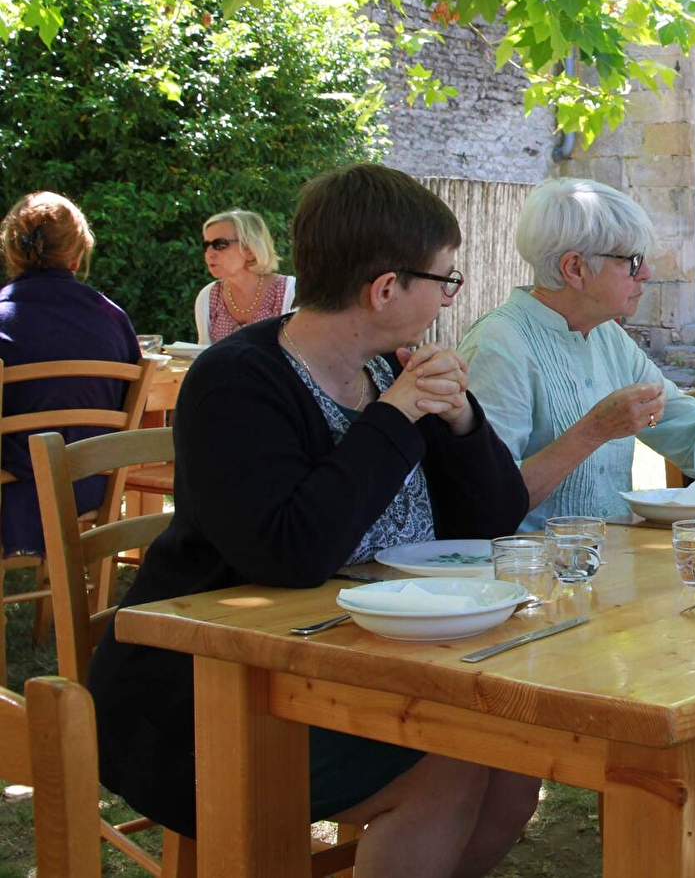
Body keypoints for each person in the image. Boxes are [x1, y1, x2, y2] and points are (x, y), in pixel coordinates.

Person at [89, 164, 538, 877]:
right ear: (385, 288)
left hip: (367, 664)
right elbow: (290, 553)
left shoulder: (388, 371)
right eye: (444, 280)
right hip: (209, 694)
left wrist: (460, 422)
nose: (449, 298)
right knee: (449, 769)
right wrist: (394, 420)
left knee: (515, 760)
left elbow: (495, 521)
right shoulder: (238, 381)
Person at [459, 177, 695, 831]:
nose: (647, 274)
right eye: (631, 262)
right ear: (575, 268)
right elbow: (485, 502)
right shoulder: (501, 347)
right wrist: (593, 430)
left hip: (610, 579)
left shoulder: (603, 336)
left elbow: (682, 420)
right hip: (529, 600)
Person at [0, 192, 140, 560]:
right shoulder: (112, 319)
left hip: (13, 490)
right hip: (88, 485)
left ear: (12, 253)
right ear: (77, 255)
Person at [195, 208, 297, 345]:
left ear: (250, 250)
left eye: (219, 244)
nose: (209, 253)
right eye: (206, 245)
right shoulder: (208, 297)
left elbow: (300, 352)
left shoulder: (289, 292)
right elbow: (204, 352)